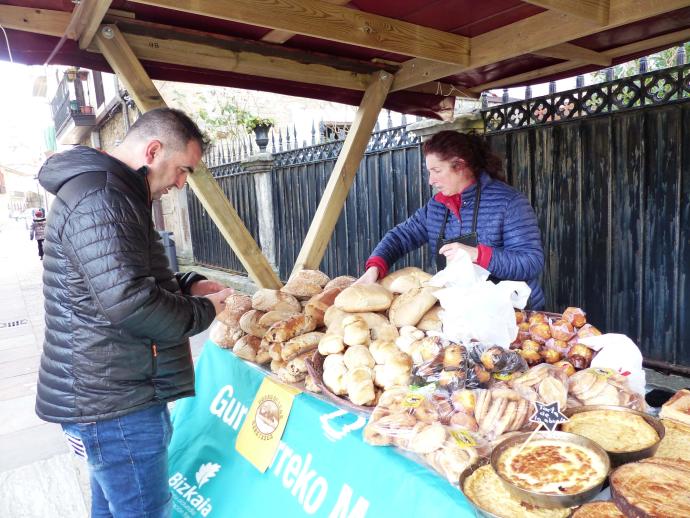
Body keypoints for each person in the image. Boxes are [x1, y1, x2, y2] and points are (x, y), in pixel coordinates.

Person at [35, 108, 234, 517]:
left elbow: (122, 278)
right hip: (114, 402)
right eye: (182, 170)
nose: (180, 184)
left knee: (112, 509)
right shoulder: (102, 197)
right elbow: (131, 301)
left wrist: (188, 284)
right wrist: (204, 310)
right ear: (154, 150)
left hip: (109, 394)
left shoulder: (114, 193)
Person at [358, 130, 545, 309]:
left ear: (460, 166)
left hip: (514, 314)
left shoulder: (509, 203)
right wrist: (375, 268)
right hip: (461, 314)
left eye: (436, 171)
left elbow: (530, 262)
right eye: (429, 172)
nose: (431, 180)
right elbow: (401, 236)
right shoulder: (437, 206)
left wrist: (477, 254)